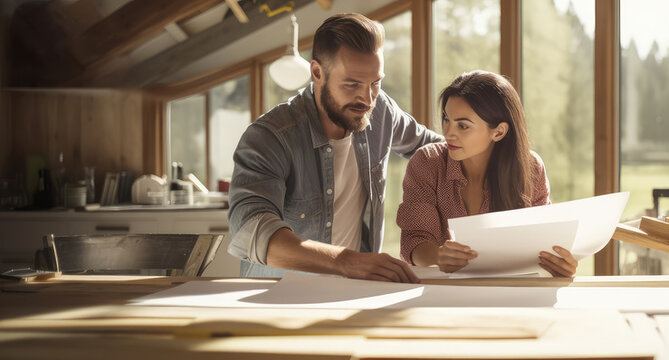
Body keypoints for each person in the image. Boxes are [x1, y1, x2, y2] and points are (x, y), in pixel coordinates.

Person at [228, 13, 443, 282]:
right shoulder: (270, 137)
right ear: (317, 72)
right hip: (279, 297)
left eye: (375, 83)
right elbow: (252, 232)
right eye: (352, 84)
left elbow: (439, 150)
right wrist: (345, 261)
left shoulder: (381, 111)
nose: (367, 98)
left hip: (354, 293)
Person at [397, 70, 578, 277]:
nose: (448, 133)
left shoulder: (531, 168)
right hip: (444, 290)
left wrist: (561, 265)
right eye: (447, 119)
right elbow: (414, 241)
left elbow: (543, 242)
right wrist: (438, 256)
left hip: (511, 291)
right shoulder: (428, 162)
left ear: (498, 132)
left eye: (463, 125)